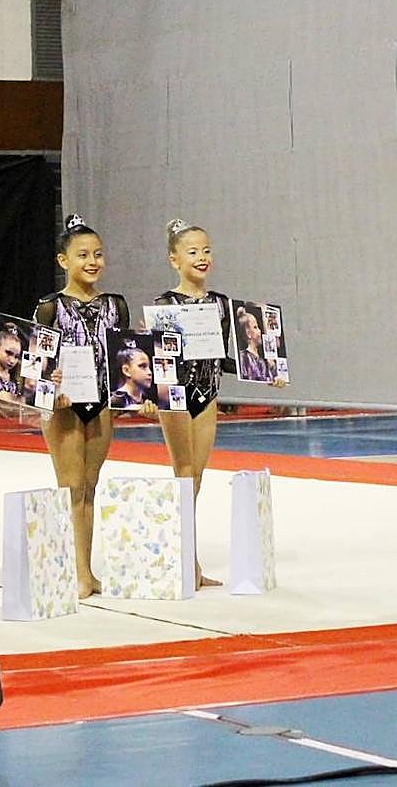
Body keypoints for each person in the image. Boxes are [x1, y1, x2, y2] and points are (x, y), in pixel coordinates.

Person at [154, 218, 283, 588]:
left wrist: (263, 369)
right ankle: (182, 564)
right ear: (174, 260)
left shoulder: (222, 304)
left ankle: (190, 564)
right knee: (182, 477)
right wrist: (151, 396)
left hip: (207, 394)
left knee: (196, 479)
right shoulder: (166, 304)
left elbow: (224, 357)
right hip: (176, 396)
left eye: (206, 250)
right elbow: (162, 357)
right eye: (192, 251)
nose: (202, 257)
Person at [34, 213, 149, 599]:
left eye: (98, 254)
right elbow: (38, 363)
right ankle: (76, 570)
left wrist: (139, 395)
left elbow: (125, 356)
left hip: (100, 403)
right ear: (63, 261)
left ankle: (87, 568)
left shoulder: (116, 305)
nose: (92, 262)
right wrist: (52, 387)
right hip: (65, 406)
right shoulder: (50, 307)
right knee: (70, 487)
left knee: (90, 488)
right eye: (82, 255)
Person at [109, 340, 154, 408]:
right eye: (142, 366)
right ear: (126, 370)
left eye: (149, 367)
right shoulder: (116, 400)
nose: (150, 372)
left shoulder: (147, 400)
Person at [236, 307, 276, 382]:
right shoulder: (244, 358)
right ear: (248, 333)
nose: (259, 331)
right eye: (255, 327)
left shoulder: (262, 360)